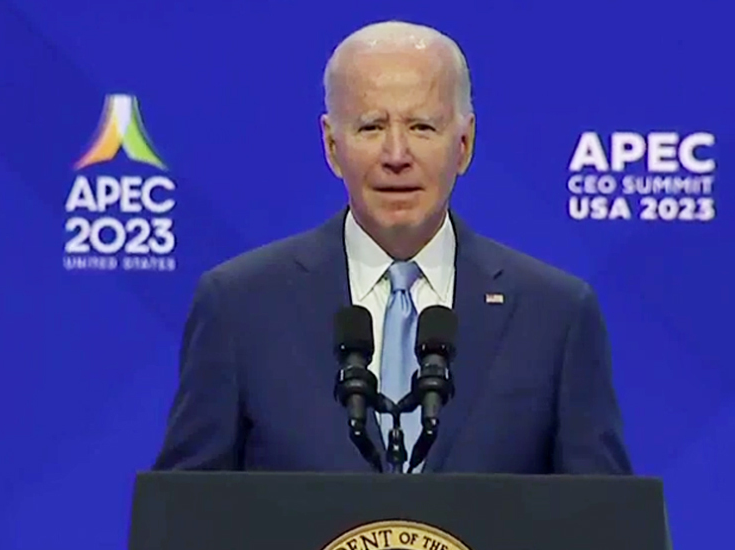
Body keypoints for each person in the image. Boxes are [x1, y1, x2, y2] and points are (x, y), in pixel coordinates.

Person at [152, 20, 632, 475]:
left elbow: (605, 531)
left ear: (463, 144)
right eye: (371, 127)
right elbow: (185, 526)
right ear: (332, 146)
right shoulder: (240, 306)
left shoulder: (554, 315)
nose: (396, 156)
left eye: (422, 127)